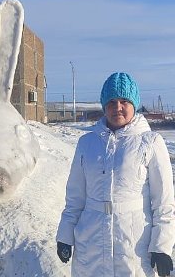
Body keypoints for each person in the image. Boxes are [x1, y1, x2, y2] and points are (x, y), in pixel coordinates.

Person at [56, 72, 175, 276]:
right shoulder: (86, 144)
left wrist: (162, 246)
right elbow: (75, 197)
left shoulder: (151, 142)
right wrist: (65, 235)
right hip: (91, 246)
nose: (117, 107)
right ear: (104, 105)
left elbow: (163, 202)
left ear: (134, 105)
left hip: (133, 247)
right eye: (111, 101)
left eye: (124, 101)